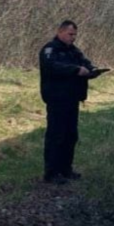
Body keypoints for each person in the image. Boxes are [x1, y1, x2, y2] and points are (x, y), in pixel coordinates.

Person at [38, 20, 97, 185]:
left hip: (72, 99)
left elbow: (85, 63)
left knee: (70, 136)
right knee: (56, 135)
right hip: (57, 99)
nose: (73, 38)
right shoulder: (50, 50)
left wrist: (92, 70)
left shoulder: (74, 51)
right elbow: (52, 67)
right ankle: (51, 173)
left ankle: (66, 169)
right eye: (70, 34)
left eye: (75, 35)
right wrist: (75, 70)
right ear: (60, 32)